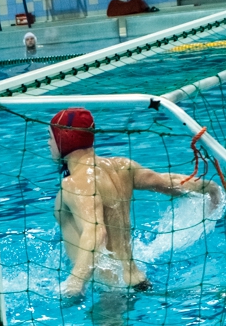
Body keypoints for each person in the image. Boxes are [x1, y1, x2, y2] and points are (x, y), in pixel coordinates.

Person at [49, 108, 221, 297]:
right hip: (138, 279)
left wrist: (75, 281)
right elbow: (166, 182)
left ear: (63, 138)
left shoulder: (75, 183)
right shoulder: (122, 167)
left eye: (50, 137)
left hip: (110, 290)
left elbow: (96, 232)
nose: (48, 143)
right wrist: (209, 187)